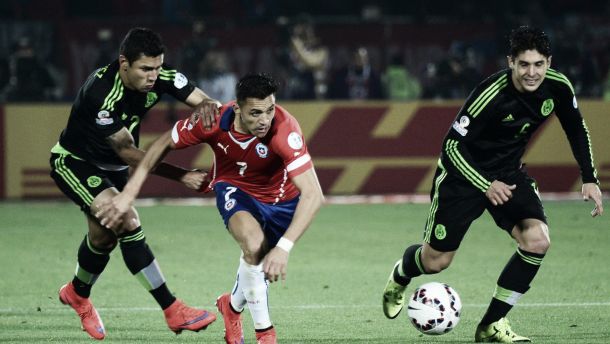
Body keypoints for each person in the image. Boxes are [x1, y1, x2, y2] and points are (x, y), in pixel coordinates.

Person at [382, 26, 603, 343]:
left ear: (549, 62)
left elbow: (576, 129)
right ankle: (401, 274)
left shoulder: (557, 86)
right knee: (436, 261)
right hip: (463, 175)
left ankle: (491, 325)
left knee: (537, 240)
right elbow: (451, 147)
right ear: (511, 61)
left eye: (539, 64)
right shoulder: (491, 94)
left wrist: (590, 178)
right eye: (524, 64)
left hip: (509, 173)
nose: (532, 73)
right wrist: (484, 184)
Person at [96, 73, 325, 344]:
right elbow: (161, 144)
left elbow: (313, 194)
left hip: (282, 202)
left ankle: (232, 306)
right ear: (237, 107)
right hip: (234, 189)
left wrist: (284, 247)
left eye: (270, 110)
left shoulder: (284, 129)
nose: (264, 119)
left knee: (259, 256)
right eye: (255, 113)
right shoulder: (212, 120)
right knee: (254, 246)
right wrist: (130, 192)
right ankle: (265, 333)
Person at [49, 27, 220, 340]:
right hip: (75, 162)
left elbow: (204, 101)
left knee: (102, 239)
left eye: (157, 67)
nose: (153, 76)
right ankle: (172, 309)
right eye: (145, 69)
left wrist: (207, 105)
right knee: (127, 219)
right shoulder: (101, 92)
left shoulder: (161, 75)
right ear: (123, 62)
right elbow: (127, 151)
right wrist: (181, 175)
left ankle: (76, 293)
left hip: (113, 170)